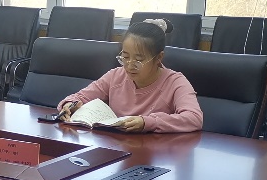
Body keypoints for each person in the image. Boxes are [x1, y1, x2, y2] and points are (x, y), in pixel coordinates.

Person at [58, 18, 203, 133]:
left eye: (139, 60)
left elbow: (194, 118)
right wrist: (68, 105)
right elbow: (80, 97)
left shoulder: (175, 82)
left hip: (156, 154)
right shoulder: (116, 76)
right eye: (125, 57)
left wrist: (148, 122)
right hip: (115, 147)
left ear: (159, 57)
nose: (129, 65)